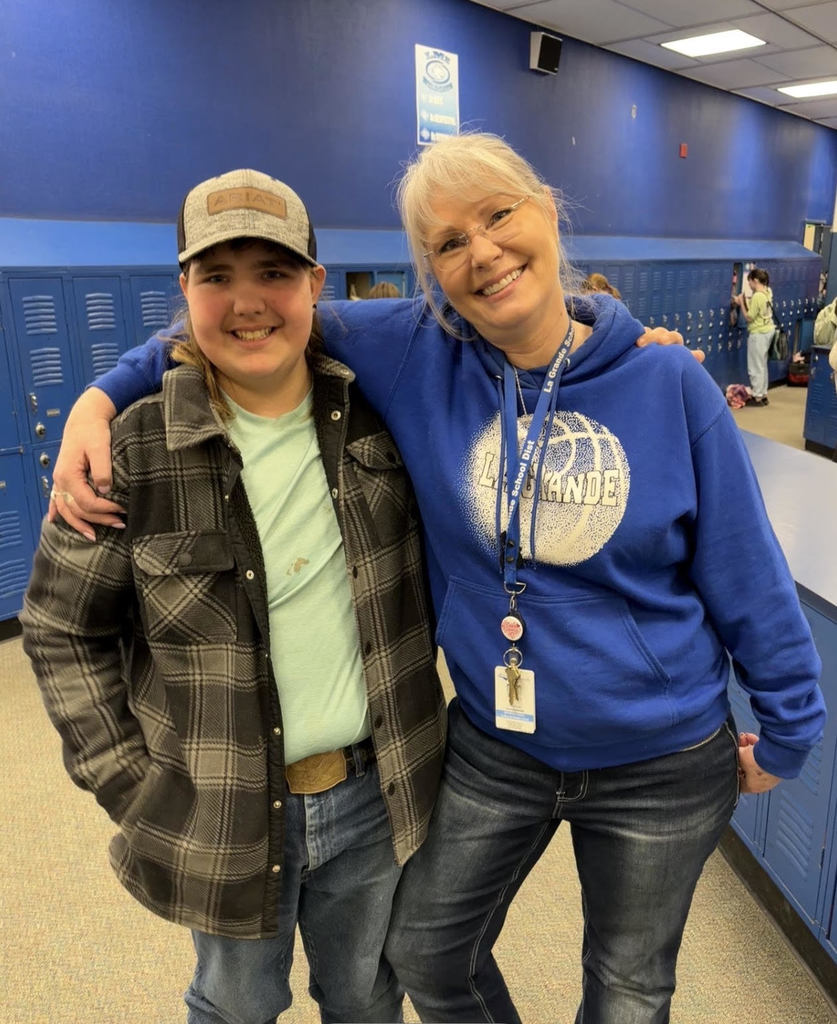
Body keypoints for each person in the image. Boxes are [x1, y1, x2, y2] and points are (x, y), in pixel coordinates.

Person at [47, 135, 825, 1024]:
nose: (482, 252)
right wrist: (101, 395)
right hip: (499, 743)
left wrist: (789, 723)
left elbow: (744, 568)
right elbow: (242, 319)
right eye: (448, 243)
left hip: (663, 756)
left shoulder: (663, 380)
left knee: (629, 984)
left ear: (547, 210)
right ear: (429, 273)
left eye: (498, 216)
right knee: (423, 951)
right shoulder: (416, 353)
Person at [20, 169, 447, 1024]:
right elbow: (60, 630)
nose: (247, 302)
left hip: (375, 793)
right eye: (217, 276)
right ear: (183, 289)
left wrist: (632, 345)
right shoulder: (131, 455)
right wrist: (130, 783)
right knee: (236, 1004)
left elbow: (519, 334)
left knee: (365, 996)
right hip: (222, 805)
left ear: (317, 288)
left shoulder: (381, 418)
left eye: (274, 273)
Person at [734, 266, 774, 406]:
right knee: (762, 365)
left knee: (754, 366)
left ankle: (756, 397)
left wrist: (741, 303)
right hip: (768, 330)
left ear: (755, 280)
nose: (749, 285)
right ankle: (763, 394)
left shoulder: (757, 296)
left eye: (750, 282)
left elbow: (749, 317)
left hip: (758, 333)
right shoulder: (768, 291)